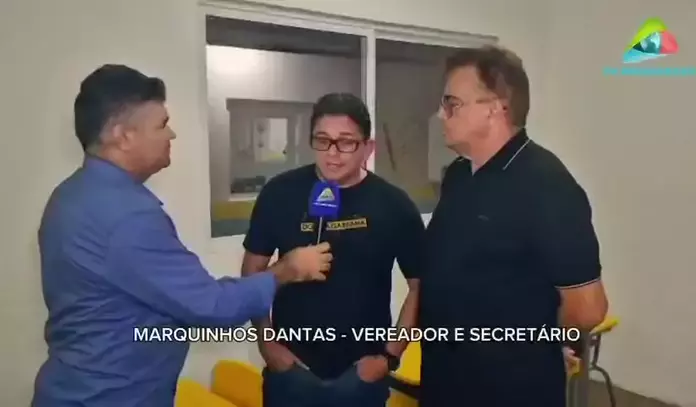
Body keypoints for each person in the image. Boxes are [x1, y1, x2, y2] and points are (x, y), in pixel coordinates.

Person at [31, 64, 333, 407]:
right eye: (161, 125)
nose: (171, 135)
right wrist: (287, 270)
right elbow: (212, 306)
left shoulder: (69, 196)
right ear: (122, 135)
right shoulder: (127, 216)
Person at [419, 46, 609, 406]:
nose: (440, 114)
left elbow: (587, 307)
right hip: (445, 377)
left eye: (452, 103)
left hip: (508, 388)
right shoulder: (459, 174)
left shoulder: (546, 185)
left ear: (496, 108)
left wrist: (538, 346)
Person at [241, 93, 425, 407]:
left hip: (361, 376)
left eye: (346, 142)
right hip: (291, 370)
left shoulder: (394, 204)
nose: (333, 153)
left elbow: (420, 285)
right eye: (323, 140)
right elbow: (251, 271)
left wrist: (390, 356)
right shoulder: (279, 193)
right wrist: (267, 343)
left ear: (368, 147)